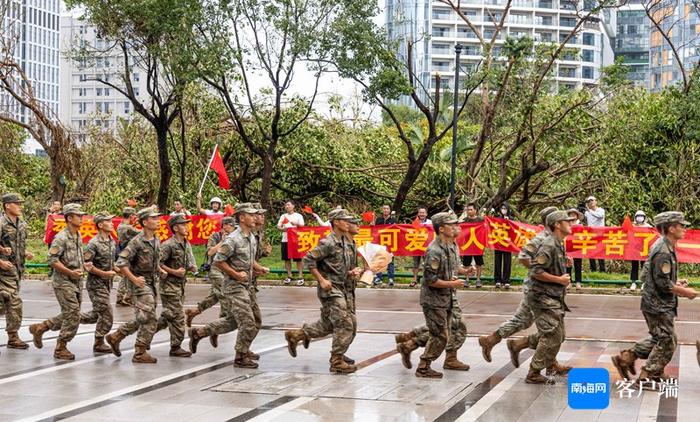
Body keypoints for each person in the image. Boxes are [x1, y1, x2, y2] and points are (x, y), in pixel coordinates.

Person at [477, 207, 571, 376]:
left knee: (550, 329)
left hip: (545, 289)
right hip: (538, 289)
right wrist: (541, 272)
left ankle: (526, 350)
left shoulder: (556, 239)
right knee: (535, 325)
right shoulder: (542, 238)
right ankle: (497, 341)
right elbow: (523, 257)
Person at [611, 212, 697, 384]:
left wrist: (676, 282)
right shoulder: (663, 250)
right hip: (657, 304)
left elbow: (652, 275)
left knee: (661, 338)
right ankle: (648, 374)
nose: (684, 229)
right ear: (671, 228)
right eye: (681, 226)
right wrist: (684, 292)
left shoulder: (665, 246)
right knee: (667, 340)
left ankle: (627, 358)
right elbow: (662, 283)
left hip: (659, 302)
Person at [188, 203, 270, 368]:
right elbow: (218, 260)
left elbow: (249, 258)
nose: (255, 217)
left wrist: (258, 268)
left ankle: (199, 333)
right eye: (251, 214)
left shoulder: (251, 237)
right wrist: (236, 274)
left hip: (247, 286)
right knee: (247, 322)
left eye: (256, 214)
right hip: (234, 287)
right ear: (241, 217)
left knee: (241, 321)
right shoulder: (233, 238)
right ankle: (240, 356)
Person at [283, 209, 363, 374]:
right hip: (331, 290)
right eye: (344, 220)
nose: (348, 223)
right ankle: (336, 360)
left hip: (344, 287)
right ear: (335, 222)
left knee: (330, 325)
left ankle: (297, 335)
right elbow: (308, 259)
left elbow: (338, 267)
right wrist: (321, 279)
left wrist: (351, 273)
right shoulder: (328, 242)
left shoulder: (346, 242)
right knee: (345, 323)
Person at [510, 210, 575, 384]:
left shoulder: (559, 243)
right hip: (542, 296)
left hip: (553, 296)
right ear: (557, 225)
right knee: (552, 334)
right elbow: (536, 271)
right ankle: (534, 372)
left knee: (559, 335)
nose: (571, 223)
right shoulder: (549, 244)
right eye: (566, 221)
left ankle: (524, 347)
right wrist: (559, 279)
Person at [413, 211, 474, 378]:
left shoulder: (451, 246)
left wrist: (466, 271)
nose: (456, 227)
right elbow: (430, 280)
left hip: (447, 297)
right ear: (441, 229)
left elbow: (455, 267)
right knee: (440, 335)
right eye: (452, 225)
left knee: (448, 330)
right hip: (433, 299)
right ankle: (423, 365)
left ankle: (415, 347)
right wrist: (452, 284)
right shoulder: (434, 250)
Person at [105, 208, 165, 364]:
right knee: (150, 318)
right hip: (139, 285)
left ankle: (116, 336)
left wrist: (160, 269)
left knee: (143, 317)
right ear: (145, 222)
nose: (158, 220)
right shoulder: (137, 241)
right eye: (154, 218)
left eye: (158, 218)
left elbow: (153, 260)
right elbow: (121, 262)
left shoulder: (156, 239)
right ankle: (139, 352)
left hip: (151, 283)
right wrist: (134, 279)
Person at [29, 204, 87, 360]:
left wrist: (83, 266)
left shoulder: (78, 235)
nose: (81, 218)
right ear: (69, 218)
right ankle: (61, 347)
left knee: (71, 314)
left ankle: (42, 327)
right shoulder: (61, 237)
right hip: (63, 281)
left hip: (76, 281)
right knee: (73, 314)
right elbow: (52, 259)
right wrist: (70, 272)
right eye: (78, 215)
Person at [156, 214, 197, 358]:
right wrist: (174, 272)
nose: (186, 227)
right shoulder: (168, 245)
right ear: (175, 228)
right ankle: (176, 346)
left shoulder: (186, 243)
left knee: (168, 318)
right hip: (169, 288)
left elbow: (188, 261)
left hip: (180, 287)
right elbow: (158, 263)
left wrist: (191, 267)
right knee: (178, 317)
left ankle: (141, 333)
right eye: (183, 224)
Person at [186, 217, 237, 328]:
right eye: (232, 226)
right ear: (225, 226)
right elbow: (210, 252)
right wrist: (222, 241)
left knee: (214, 296)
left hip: (227, 269)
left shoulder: (235, 237)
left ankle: (194, 312)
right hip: (216, 268)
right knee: (223, 293)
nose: (233, 229)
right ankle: (222, 322)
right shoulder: (215, 236)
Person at [80, 212, 117, 353]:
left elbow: (111, 262)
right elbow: (87, 265)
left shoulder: (111, 240)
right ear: (100, 225)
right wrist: (104, 273)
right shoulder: (93, 243)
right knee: (107, 313)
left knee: (96, 315)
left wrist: (117, 269)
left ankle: (71, 318)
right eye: (108, 221)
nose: (112, 223)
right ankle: (99, 342)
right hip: (96, 284)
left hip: (107, 284)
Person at [0, 193, 32, 350]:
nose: (20, 206)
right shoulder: (1, 222)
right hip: (3, 272)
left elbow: (17, 245)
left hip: (16, 271)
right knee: (14, 302)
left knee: (5, 304)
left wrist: (25, 253)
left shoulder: (21, 223)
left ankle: (12, 336)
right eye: (16, 203)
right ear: (7, 205)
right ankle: (13, 336)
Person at [115, 207, 140, 307]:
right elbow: (141, 233)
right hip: (128, 253)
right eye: (134, 215)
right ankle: (126, 297)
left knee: (126, 275)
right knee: (128, 275)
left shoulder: (121, 226)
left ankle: (122, 297)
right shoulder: (127, 228)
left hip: (123, 252)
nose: (134, 217)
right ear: (130, 216)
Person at [277, 200, 305, 285]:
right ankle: (289, 276)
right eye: (286, 205)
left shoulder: (298, 216)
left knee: (298, 259)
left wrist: (295, 223)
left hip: (296, 240)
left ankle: (300, 276)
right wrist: (283, 229)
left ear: (293, 206)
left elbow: (302, 226)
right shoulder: (283, 216)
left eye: (288, 205)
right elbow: (279, 226)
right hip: (285, 239)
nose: (287, 206)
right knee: (286, 258)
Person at [459, 202, 484, 288]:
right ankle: (467, 279)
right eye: (468, 210)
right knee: (466, 263)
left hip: (478, 244)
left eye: (471, 209)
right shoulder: (464, 221)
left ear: (475, 210)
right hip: (467, 245)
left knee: (479, 263)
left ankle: (478, 279)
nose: (469, 211)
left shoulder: (480, 220)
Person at [372, 205, 396, 287]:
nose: (385, 210)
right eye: (384, 208)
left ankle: (391, 278)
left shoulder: (393, 220)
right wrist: (372, 226)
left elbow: (396, 231)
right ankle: (378, 278)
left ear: (390, 210)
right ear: (382, 210)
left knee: (390, 261)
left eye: (387, 209)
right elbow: (374, 230)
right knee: (379, 259)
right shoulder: (378, 219)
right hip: (380, 243)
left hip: (390, 243)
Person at [630, 210, 652, 291]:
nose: (640, 217)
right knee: (634, 266)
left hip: (645, 249)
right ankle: (633, 282)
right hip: (634, 249)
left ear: (644, 217)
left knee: (644, 266)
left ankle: (644, 283)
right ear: (635, 217)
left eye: (641, 216)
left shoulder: (648, 226)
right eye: (638, 216)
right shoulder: (632, 226)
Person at [411, 207, 432, 287]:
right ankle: (414, 279)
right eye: (420, 212)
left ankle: (426, 279)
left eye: (423, 213)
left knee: (427, 264)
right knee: (416, 264)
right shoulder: (415, 222)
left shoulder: (430, 222)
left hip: (427, 246)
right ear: (418, 213)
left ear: (426, 214)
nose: (422, 214)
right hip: (416, 245)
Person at [494, 202, 514, 289]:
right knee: (497, 261)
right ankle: (497, 280)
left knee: (507, 262)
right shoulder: (497, 219)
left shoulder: (512, 219)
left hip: (507, 244)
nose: (503, 210)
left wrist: (508, 220)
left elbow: (514, 230)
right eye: (502, 208)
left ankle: (506, 280)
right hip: (498, 243)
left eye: (505, 208)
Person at [584, 196, 606, 272]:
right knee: (591, 252)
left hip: (600, 234)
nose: (591, 202)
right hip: (591, 234)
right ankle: (593, 269)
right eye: (589, 201)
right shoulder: (587, 212)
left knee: (600, 251)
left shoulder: (601, 210)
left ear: (596, 201)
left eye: (592, 200)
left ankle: (602, 270)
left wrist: (589, 211)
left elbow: (600, 216)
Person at [566, 208, 584, 290]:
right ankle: (568, 282)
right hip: (568, 246)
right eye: (571, 214)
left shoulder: (581, 224)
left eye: (574, 214)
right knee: (568, 264)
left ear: (577, 216)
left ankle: (578, 282)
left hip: (578, 246)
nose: (572, 216)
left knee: (578, 264)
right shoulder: (566, 224)